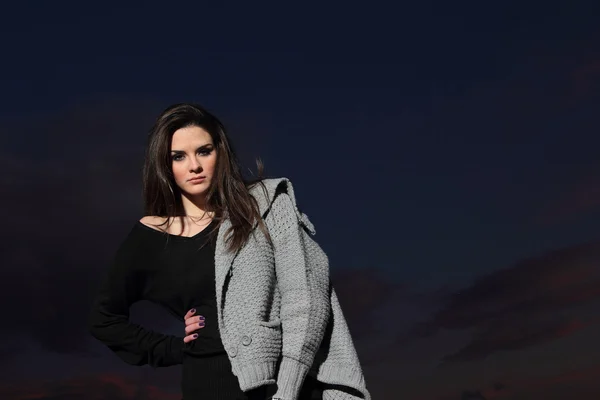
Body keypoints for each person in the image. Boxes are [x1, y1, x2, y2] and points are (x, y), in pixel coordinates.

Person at [87, 103, 370, 400]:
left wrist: (287, 390)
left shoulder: (264, 205)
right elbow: (104, 319)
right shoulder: (151, 235)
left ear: (220, 152)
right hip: (206, 383)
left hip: (282, 382)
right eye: (178, 156)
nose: (194, 166)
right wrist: (174, 348)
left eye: (204, 151)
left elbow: (305, 300)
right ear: (164, 165)